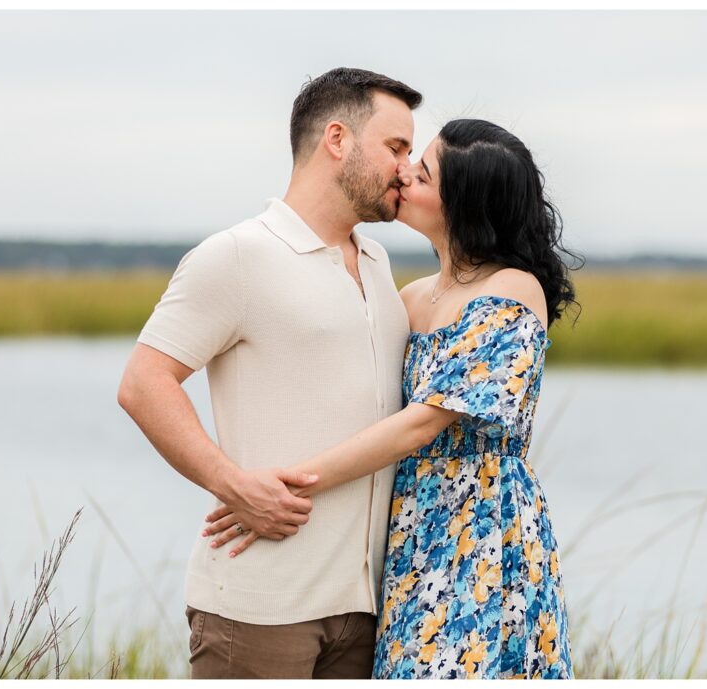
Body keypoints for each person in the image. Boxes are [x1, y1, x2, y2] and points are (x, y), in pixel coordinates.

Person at [204, 118, 581, 678]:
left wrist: (285, 487)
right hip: (408, 532)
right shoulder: (410, 295)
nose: (403, 172)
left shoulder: (511, 289)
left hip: (478, 533)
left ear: (462, 204)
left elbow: (418, 425)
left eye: (423, 172)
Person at [117, 67, 423, 679]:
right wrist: (231, 483)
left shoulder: (378, 260)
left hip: (368, 611)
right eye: (395, 147)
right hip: (259, 608)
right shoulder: (237, 255)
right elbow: (143, 382)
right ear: (337, 139)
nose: (406, 168)